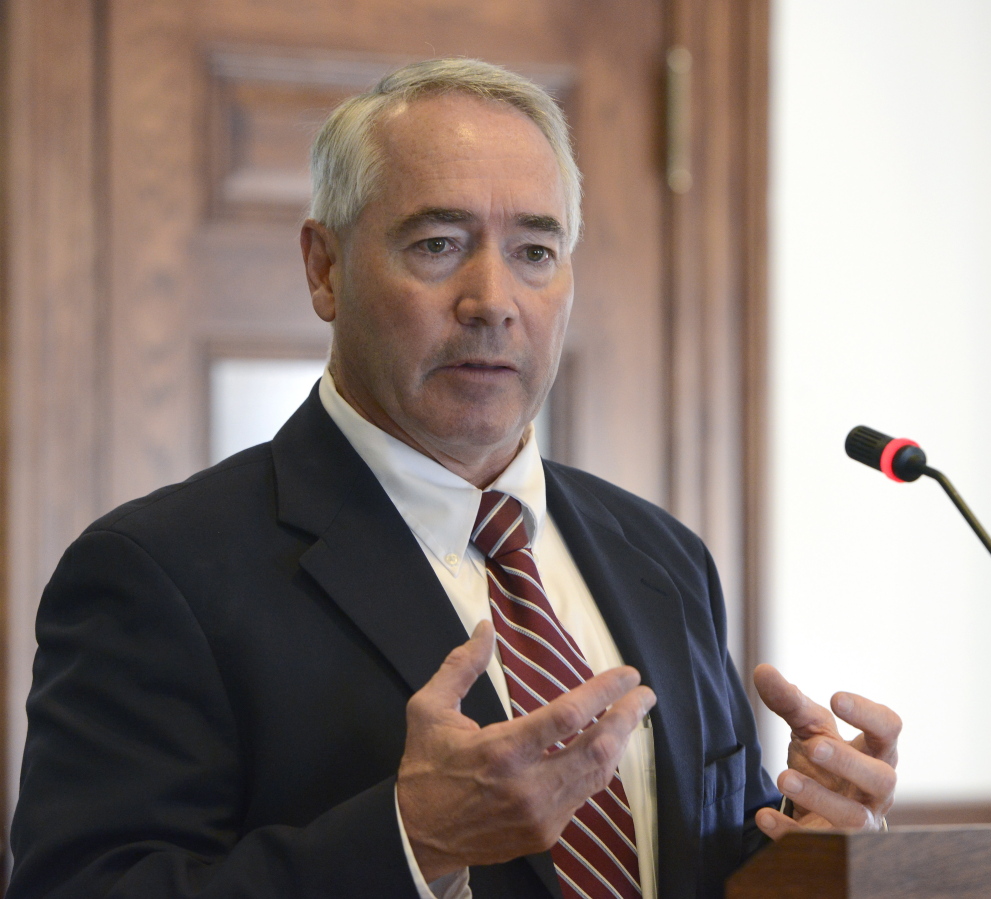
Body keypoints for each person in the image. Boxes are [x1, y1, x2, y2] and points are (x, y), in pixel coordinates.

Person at [8, 58, 900, 899]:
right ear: (324, 268)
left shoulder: (663, 556)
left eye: (535, 252)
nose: (492, 300)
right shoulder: (157, 571)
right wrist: (410, 838)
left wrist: (805, 846)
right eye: (438, 244)